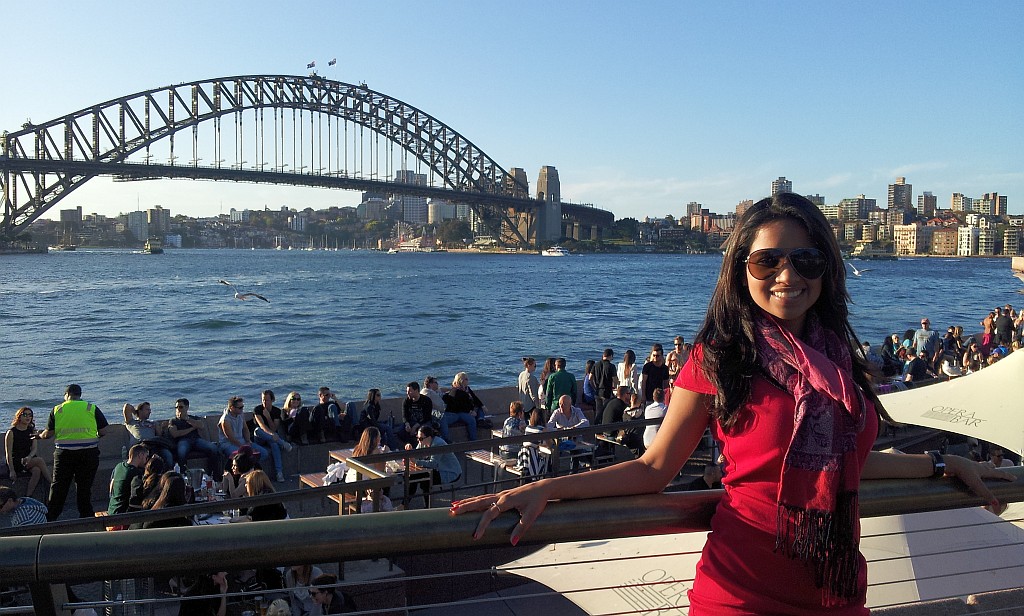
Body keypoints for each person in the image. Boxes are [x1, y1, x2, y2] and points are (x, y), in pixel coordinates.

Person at [453, 192, 1014, 615]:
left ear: (827, 269)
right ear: (741, 269)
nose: (787, 275)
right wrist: (550, 487)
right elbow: (653, 469)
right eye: (767, 261)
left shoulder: (838, 358)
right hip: (740, 594)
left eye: (806, 260)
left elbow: (848, 463)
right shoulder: (718, 359)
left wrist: (941, 464)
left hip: (837, 591)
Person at [38, 384, 112, 520]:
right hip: (88, 453)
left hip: (64, 454)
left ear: (67, 395)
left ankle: (51, 517)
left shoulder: (57, 409)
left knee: (59, 487)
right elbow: (104, 431)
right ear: (80, 395)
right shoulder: (91, 408)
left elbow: (48, 434)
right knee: (84, 487)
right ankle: (86, 517)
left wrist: (39, 435)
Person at [405, 426, 461, 502]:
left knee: (422, 478)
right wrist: (410, 449)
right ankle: (406, 503)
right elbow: (417, 454)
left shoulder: (438, 444)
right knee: (415, 476)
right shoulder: (423, 442)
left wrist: (416, 462)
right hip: (437, 470)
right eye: (417, 438)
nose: (419, 440)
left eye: (420, 438)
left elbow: (433, 463)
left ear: (429, 437)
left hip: (449, 472)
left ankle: (410, 504)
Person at [345, 426, 394, 513]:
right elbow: (381, 472)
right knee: (385, 483)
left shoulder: (358, 449)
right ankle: (382, 509)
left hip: (349, 484)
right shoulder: (375, 452)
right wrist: (385, 453)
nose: (380, 438)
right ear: (375, 439)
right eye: (379, 436)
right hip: (361, 487)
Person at [5, 407, 52, 497]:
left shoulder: (32, 431)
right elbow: (8, 453)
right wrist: (12, 470)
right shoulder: (11, 432)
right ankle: (52, 484)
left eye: (30, 415)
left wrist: (29, 457)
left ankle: (28, 496)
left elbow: (34, 448)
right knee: (39, 460)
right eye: (25, 415)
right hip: (17, 460)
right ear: (19, 416)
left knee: (37, 470)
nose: (28, 417)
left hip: (28, 459)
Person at [168, 398, 220, 472]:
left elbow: (201, 425)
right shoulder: (173, 421)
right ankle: (183, 473)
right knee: (181, 452)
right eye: (176, 407)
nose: (178, 409)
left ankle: (212, 472)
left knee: (213, 448)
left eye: (180, 407)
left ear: (187, 407)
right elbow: (175, 434)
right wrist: (192, 428)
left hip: (196, 440)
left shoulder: (192, 418)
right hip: (183, 441)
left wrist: (187, 419)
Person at [252, 389, 293, 482]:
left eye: (267, 400)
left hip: (272, 438)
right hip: (259, 438)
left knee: (274, 444)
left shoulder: (276, 411)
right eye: (263, 400)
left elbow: (274, 428)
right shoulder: (257, 410)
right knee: (257, 430)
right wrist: (272, 434)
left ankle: (279, 473)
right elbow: (261, 425)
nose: (264, 402)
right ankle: (282, 443)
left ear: (272, 400)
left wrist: (268, 417)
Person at [217, 396, 269, 463]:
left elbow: (245, 429)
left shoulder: (240, 414)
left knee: (264, 453)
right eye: (240, 408)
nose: (242, 409)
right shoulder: (225, 420)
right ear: (232, 408)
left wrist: (248, 441)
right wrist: (244, 447)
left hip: (242, 441)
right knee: (241, 457)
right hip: (229, 444)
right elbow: (231, 438)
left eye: (242, 407)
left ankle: (251, 466)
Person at [122, 401, 175, 466]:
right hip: (139, 445)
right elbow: (127, 406)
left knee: (167, 454)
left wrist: (160, 427)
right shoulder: (132, 422)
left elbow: (159, 436)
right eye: (147, 410)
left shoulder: (153, 423)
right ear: (140, 411)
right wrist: (136, 412)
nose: (150, 412)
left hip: (152, 445)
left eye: (150, 410)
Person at [440, 372, 481, 442]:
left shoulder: (467, 389)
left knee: (474, 416)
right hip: (455, 413)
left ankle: (474, 440)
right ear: (461, 381)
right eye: (466, 379)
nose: (468, 381)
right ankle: (445, 441)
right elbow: (458, 405)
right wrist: (470, 411)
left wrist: (480, 407)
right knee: (443, 420)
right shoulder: (455, 390)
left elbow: (474, 399)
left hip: (464, 411)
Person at [108, 444, 148, 515]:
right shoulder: (136, 473)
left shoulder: (118, 466)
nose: (146, 461)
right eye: (146, 457)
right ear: (140, 455)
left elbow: (111, 487)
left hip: (112, 510)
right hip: (123, 513)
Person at [515, 409, 549, 480]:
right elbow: (550, 444)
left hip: (524, 458)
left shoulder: (528, 428)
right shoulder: (543, 430)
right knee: (547, 456)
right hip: (534, 458)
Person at [399, 381, 433, 447]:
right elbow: (404, 416)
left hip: (423, 422)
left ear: (416, 390)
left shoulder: (426, 400)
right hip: (411, 422)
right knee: (401, 431)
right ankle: (410, 445)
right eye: (407, 391)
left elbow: (427, 417)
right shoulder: (406, 401)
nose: (407, 393)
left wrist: (415, 426)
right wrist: (407, 424)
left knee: (423, 431)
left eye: (410, 391)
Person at [591, 349, 617, 426]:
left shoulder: (596, 365)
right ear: (611, 356)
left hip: (597, 391)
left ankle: (596, 427)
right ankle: (603, 427)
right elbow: (615, 379)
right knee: (606, 412)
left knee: (598, 411)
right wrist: (614, 387)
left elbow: (590, 377)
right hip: (607, 392)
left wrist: (594, 386)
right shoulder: (611, 366)